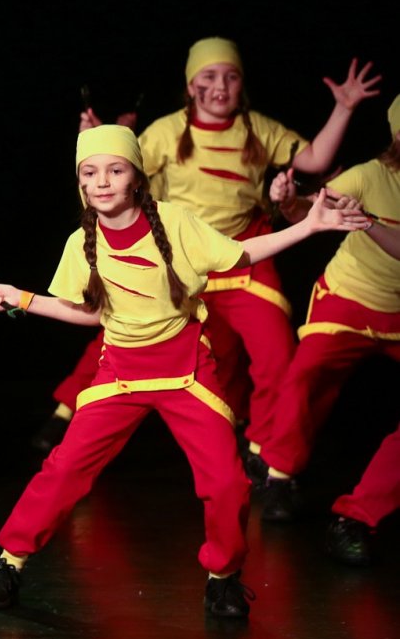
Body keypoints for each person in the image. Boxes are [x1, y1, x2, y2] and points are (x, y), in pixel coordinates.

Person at [0, 125, 369, 620]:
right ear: (80, 183)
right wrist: (21, 297)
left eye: (115, 170)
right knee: (64, 469)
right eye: (90, 173)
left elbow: (241, 255)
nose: (102, 182)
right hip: (120, 375)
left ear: (137, 177)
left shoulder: (175, 222)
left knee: (227, 482)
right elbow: (90, 314)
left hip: (186, 374)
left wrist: (309, 226)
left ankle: (223, 578)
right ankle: (9, 563)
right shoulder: (81, 243)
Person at [33, 39, 381, 466]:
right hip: (176, 262)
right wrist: (99, 141)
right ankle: (65, 414)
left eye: (231, 77)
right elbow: (115, 172)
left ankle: (262, 454)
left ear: (241, 85)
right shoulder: (166, 132)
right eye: (209, 76)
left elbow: (314, 159)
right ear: (190, 86)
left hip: (242, 260)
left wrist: (344, 108)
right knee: (122, 331)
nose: (220, 86)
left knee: (273, 350)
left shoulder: (258, 129)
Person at [253, 93, 400, 557]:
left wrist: (369, 222)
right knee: (307, 374)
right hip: (348, 299)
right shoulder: (369, 175)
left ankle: (357, 517)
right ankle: (279, 478)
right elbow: (311, 211)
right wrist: (289, 201)